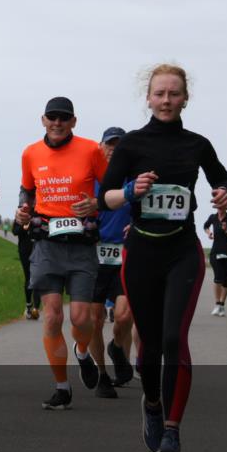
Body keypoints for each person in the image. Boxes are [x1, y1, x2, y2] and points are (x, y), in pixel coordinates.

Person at [99, 63, 227, 452]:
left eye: (174, 93)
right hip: (141, 252)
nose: (167, 100)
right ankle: (153, 404)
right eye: (160, 93)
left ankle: (172, 431)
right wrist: (130, 190)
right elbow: (106, 197)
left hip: (182, 252)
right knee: (151, 343)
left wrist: (222, 193)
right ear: (149, 98)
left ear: (185, 99)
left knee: (174, 338)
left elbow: (220, 177)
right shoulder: (131, 145)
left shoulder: (197, 144)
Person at [15, 97, 108, 410]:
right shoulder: (30, 153)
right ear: (43, 120)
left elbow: (109, 188)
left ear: (73, 122)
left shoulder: (91, 149)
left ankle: (82, 352)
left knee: (82, 318)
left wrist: (96, 204)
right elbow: (27, 190)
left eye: (64, 118)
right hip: (46, 244)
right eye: (52, 117)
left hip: (81, 246)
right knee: (53, 316)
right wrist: (23, 209)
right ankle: (62, 387)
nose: (57, 123)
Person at [88, 127, 135, 398]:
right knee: (94, 320)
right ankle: (102, 375)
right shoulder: (89, 179)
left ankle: (117, 348)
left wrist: (137, 225)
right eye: (110, 144)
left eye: (120, 144)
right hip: (94, 258)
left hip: (125, 256)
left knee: (124, 316)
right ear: (100, 147)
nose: (114, 149)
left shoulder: (134, 180)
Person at [203, 205, 227, 316]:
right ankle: (217, 304)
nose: (219, 209)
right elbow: (205, 226)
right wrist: (209, 233)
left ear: (226, 207)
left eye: (222, 207)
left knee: (225, 280)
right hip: (215, 252)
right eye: (218, 207)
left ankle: (222, 305)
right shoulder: (213, 217)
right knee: (218, 278)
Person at [12, 218, 40, 320]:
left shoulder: (40, 213)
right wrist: (24, 227)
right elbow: (15, 231)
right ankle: (28, 305)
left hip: (39, 250)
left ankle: (36, 308)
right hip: (25, 251)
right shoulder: (21, 215)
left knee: (38, 278)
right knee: (29, 278)